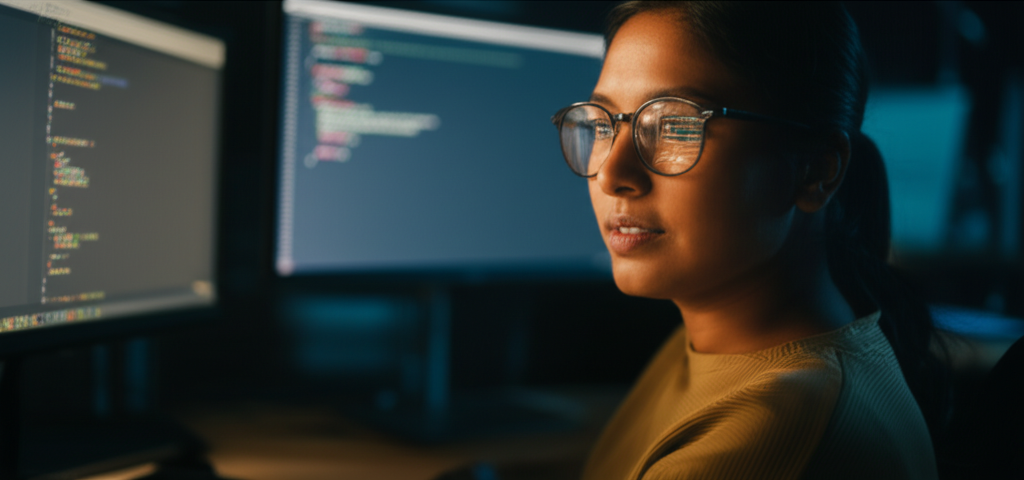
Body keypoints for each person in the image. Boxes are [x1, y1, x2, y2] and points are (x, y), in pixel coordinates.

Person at [550, 2, 951, 479]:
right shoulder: (712, 339)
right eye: (604, 125)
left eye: (676, 126)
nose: (611, 173)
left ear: (817, 170)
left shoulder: (769, 434)